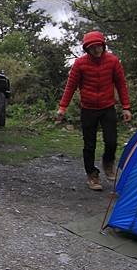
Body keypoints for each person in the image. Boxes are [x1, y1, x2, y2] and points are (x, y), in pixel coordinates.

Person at [56, 31, 131, 191]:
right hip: (88, 109)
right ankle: (92, 175)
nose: (96, 50)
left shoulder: (113, 61)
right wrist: (63, 107)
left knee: (111, 141)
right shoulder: (80, 64)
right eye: (92, 48)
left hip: (107, 107)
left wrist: (126, 107)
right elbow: (71, 86)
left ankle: (108, 163)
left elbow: (121, 84)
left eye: (98, 46)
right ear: (87, 49)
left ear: (103, 45)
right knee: (89, 145)